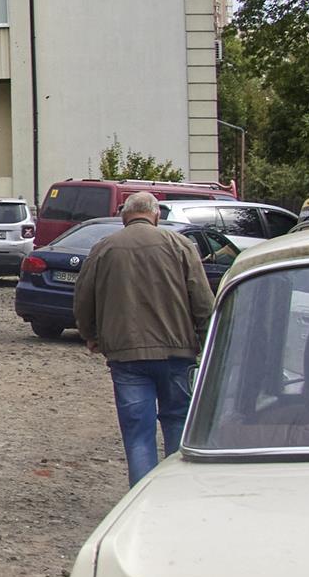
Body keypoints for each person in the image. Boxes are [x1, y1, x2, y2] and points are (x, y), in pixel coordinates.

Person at [71, 191, 215, 488]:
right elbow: (203, 301)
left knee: (138, 434)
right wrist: (209, 339)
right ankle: (176, 494)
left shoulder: (104, 249)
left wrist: (91, 335)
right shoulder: (181, 246)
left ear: (124, 217)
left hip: (127, 355)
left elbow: (83, 299)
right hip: (178, 353)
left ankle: (141, 499)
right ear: (157, 215)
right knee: (177, 423)